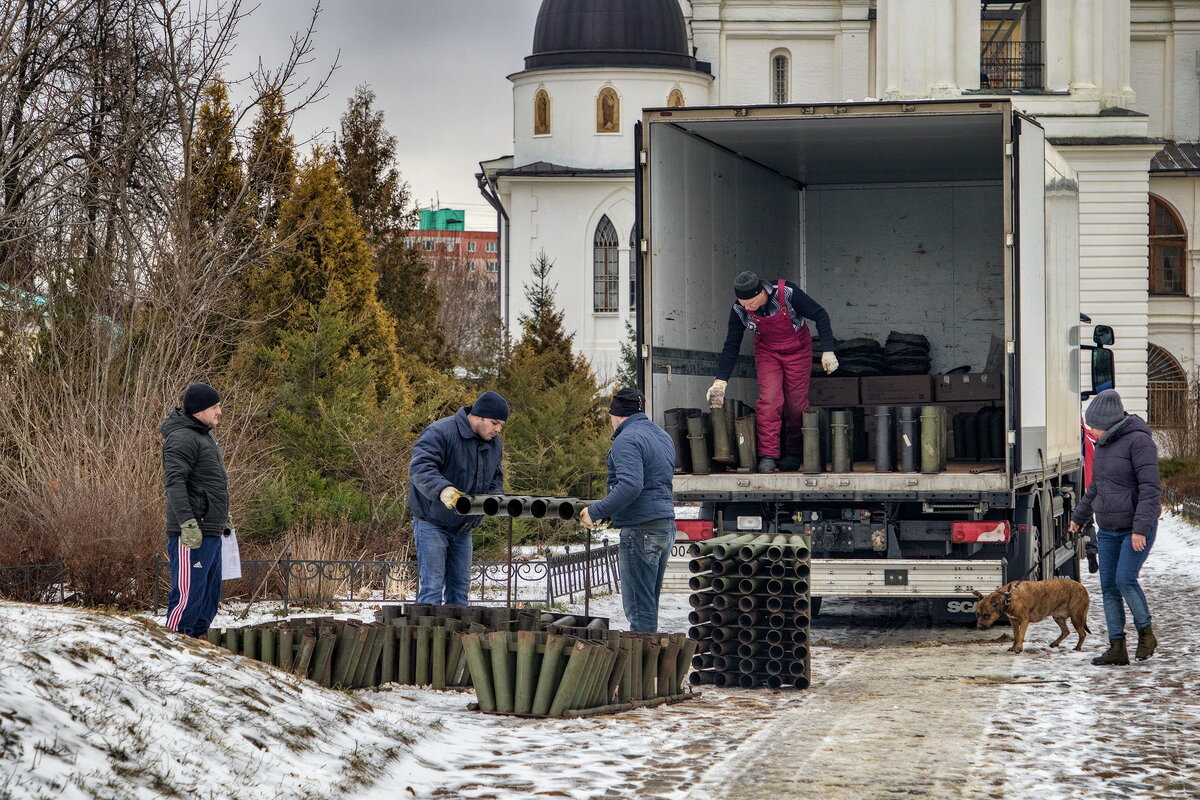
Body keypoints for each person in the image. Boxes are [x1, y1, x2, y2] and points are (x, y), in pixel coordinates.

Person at [707, 271, 838, 473]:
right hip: (768, 352)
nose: (747, 307)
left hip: (798, 350)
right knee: (769, 400)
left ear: (761, 292)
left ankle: (794, 453)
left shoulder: (787, 292)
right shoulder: (739, 310)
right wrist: (720, 382)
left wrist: (828, 350)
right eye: (743, 303)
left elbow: (820, 314)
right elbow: (731, 345)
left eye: (750, 302)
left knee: (796, 404)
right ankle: (768, 455)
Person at [1068, 389, 1161, 665]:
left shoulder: (1140, 442)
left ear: (1107, 422)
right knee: (1108, 587)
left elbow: (1150, 489)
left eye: (1093, 426)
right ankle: (1116, 646)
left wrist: (1141, 529)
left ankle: (1146, 633)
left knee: (1125, 579)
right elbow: (1097, 487)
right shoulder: (1104, 445)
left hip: (1134, 529)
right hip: (1108, 529)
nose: (1091, 431)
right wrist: (1079, 517)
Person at [581, 388, 676, 632]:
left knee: (638, 608)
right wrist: (614, 514)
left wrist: (596, 511)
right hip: (664, 526)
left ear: (616, 415)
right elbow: (654, 481)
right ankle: (649, 663)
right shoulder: (662, 436)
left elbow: (631, 485)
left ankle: (640, 667)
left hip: (640, 530)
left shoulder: (627, 439)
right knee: (648, 603)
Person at [408, 390, 508, 605]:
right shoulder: (441, 432)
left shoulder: (493, 444)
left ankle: (455, 637)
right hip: (432, 522)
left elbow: (495, 476)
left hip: (464, 528)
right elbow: (420, 467)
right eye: (494, 422)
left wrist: (496, 497)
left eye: (501, 425)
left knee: (460, 591)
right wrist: (443, 490)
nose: (498, 429)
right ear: (478, 416)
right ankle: (428, 637)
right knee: (432, 588)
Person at [162, 382, 231, 638]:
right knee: (188, 594)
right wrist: (187, 523)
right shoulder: (181, 437)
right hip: (193, 530)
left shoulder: (205, 437)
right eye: (215, 406)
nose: (219, 412)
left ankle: (197, 645)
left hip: (211, 527)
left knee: (209, 594)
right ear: (199, 410)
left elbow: (212, 483)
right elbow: (175, 482)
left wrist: (225, 517)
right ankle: (174, 643)